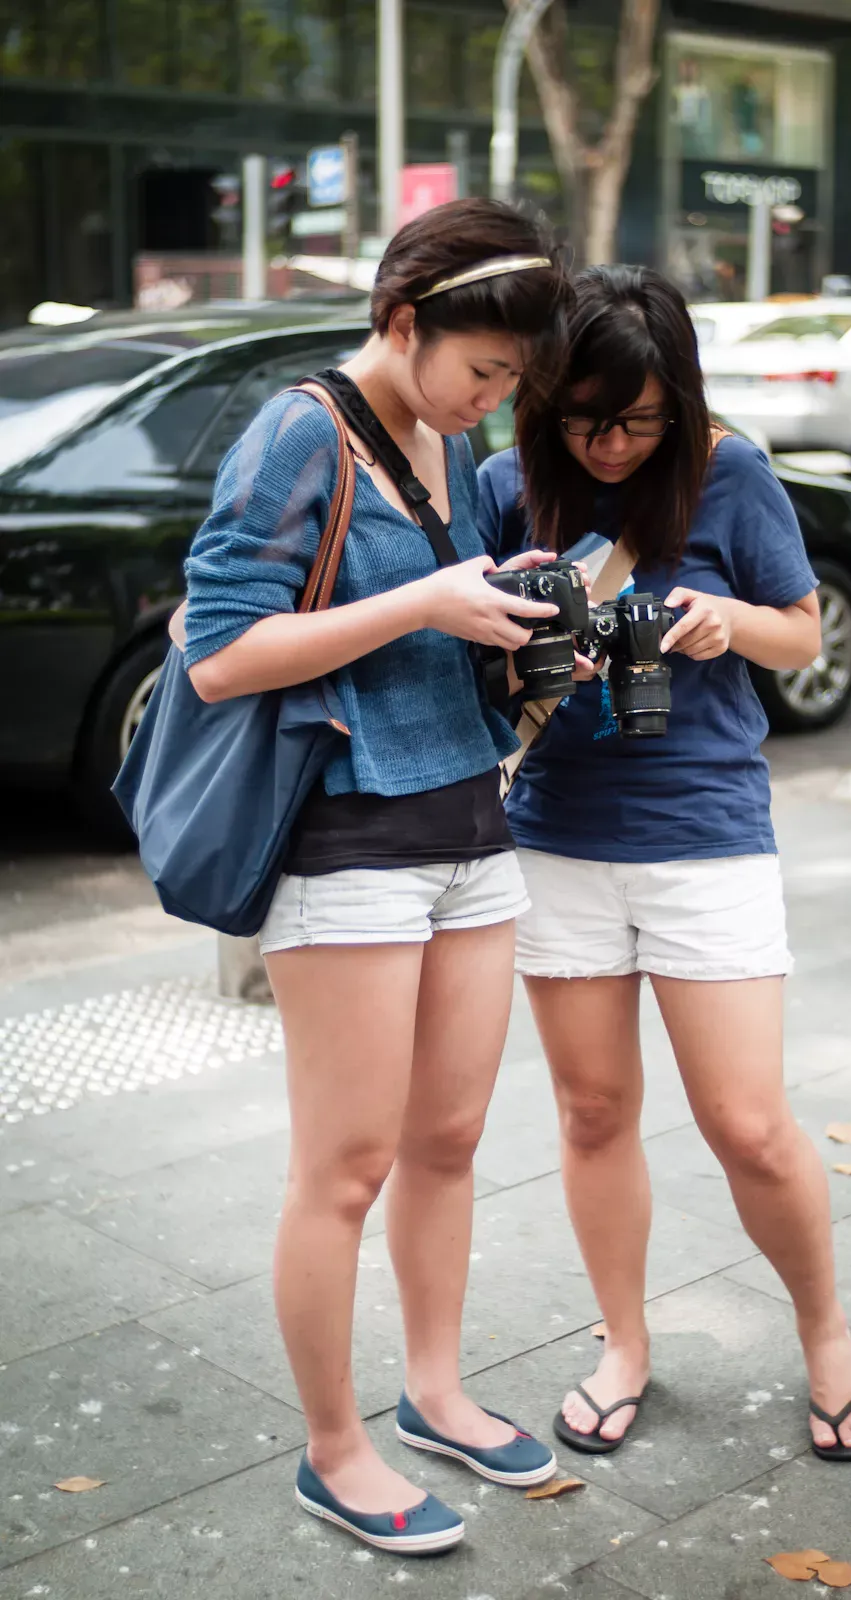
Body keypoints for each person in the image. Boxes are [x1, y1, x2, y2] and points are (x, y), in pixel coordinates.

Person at [181, 200, 573, 1555]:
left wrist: (501, 606)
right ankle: (332, 1448)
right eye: (482, 371)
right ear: (402, 323)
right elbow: (222, 654)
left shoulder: (438, 439)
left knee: (450, 1143)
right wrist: (424, 600)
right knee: (343, 1167)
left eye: (511, 384)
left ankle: (437, 1390)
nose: (489, 403)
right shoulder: (300, 428)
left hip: (468, 817)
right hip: (346, 836)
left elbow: (430, 608)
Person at [477, 264, 851, 1466]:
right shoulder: (510, 485)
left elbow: (802, 629)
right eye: (586, 418)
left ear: (678, 397)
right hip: (557, 834)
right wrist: (541, 658)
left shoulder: (729, 470)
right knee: (592, 1110)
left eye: (637, 418)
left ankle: (826, 1335)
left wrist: (719, 621)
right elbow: (480, 673)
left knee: (746, 1122)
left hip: (704, 830)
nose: (610, 445)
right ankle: (622, 1343)